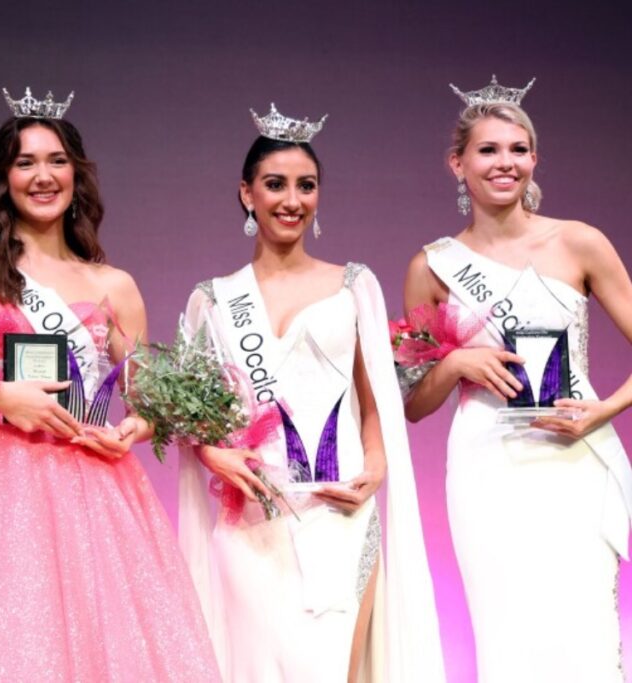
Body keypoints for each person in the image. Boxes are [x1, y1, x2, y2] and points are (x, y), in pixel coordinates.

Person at [0, 87, 220, 682]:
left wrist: (136, 428)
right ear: (3, 180)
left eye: (56, 161)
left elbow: (152, 401)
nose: (42, 176)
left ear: (77, 175)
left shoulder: (115, 284)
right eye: (25, 163)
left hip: (91, 480)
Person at [178, 104, 445, 682]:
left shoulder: (354, 285)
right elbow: (191, 418)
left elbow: (374, 400)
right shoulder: (215, 299)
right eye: (275, 185)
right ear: (247, 193)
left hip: (338, 512)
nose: (291, 200)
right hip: (252, 519)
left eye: (307, 185)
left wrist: (375, 467)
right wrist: (210, 453)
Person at [403, 75, 632, 682]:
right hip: (487, 467)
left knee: (582, 628)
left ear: (533, 159)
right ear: (457, 164)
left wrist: (605, 409)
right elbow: (414, 404)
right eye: (487, 150)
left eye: (517, 149)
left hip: (573, 452)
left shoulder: (578, 241)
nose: (505, 163)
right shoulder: (433, 266)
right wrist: (454, 364)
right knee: (507, 635)